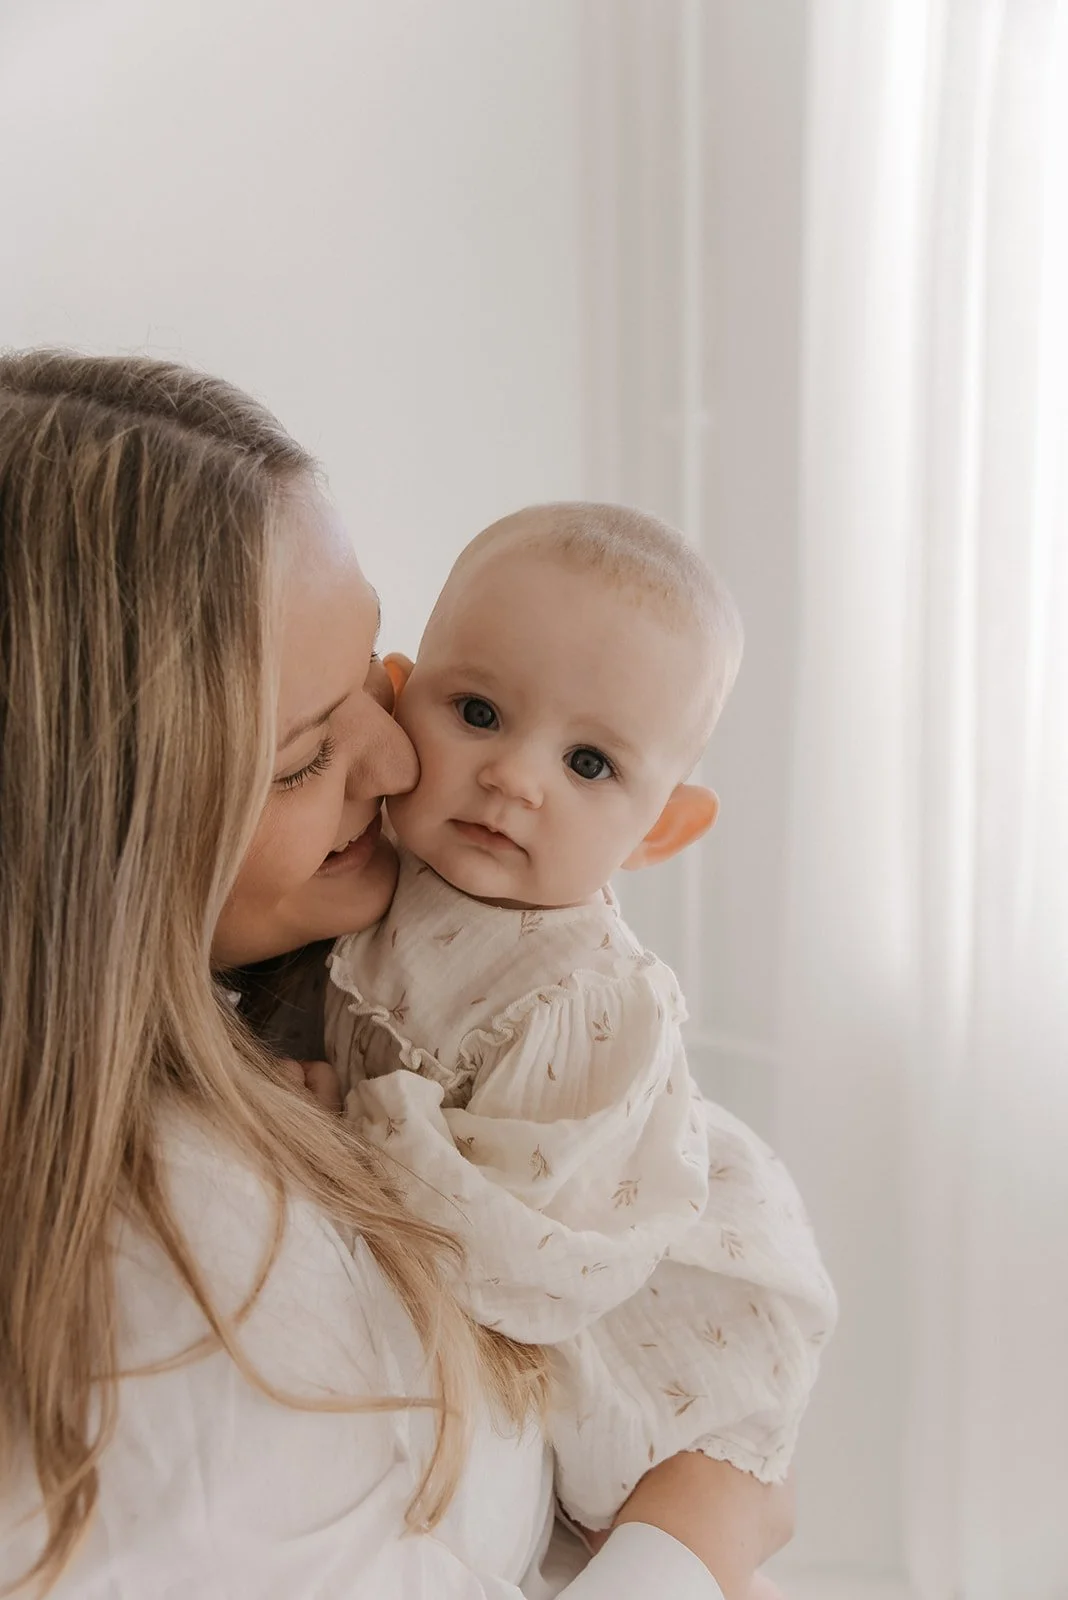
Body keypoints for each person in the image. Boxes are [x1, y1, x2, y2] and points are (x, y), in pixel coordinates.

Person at [0, 350, 795, 1599]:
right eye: (305, 756)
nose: (396, 757)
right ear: (92, 838)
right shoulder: (192, 1286)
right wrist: (696, 1536)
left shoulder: (527, 977)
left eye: (376, 675)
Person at [323, 507, 836, 1562]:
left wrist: (347, 1120)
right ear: (397, 695)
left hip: (638, 1287)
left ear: (661, 828)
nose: (516, 777)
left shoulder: (585, 995)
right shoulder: (363, 863)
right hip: (548, 1278)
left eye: (590, 763)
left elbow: (520, 1243)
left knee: (669, 1530)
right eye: (477, 712)